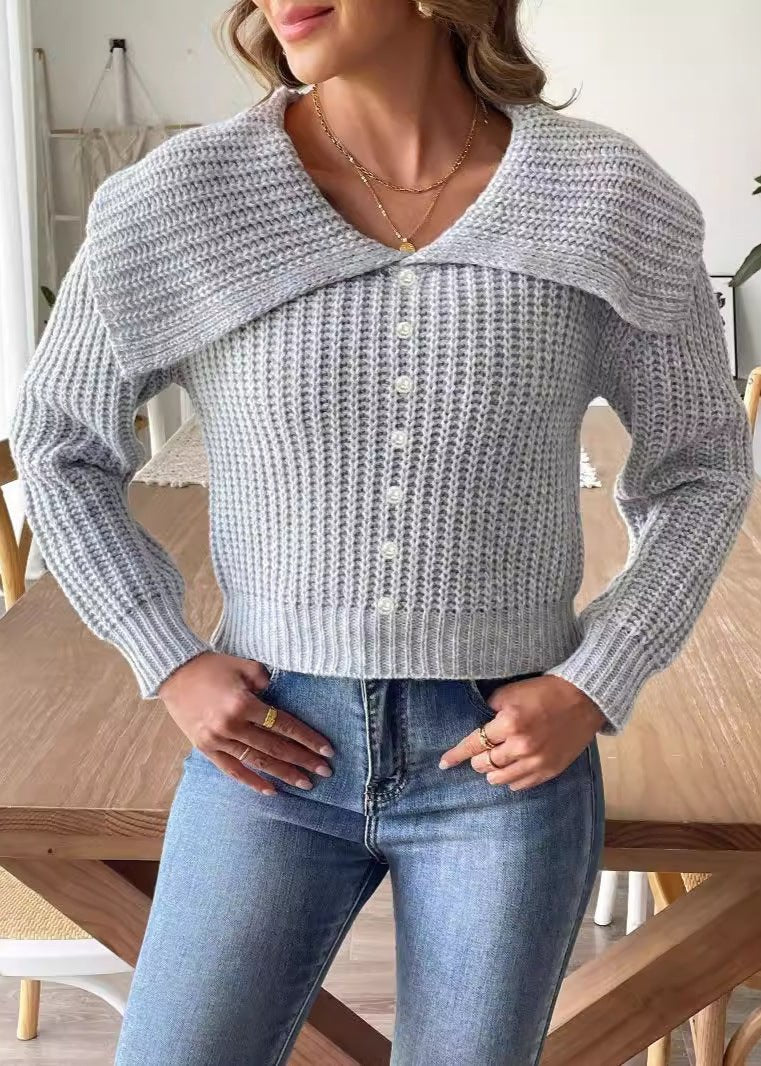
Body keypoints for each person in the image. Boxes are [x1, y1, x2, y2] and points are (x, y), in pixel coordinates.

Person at [9, 1, 755, 1063]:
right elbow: (59, 444)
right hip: (268, 743)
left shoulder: (606, 200)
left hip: (502, 760)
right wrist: (167, 657)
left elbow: (702, 468)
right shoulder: (181, 202)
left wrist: (596, 678)